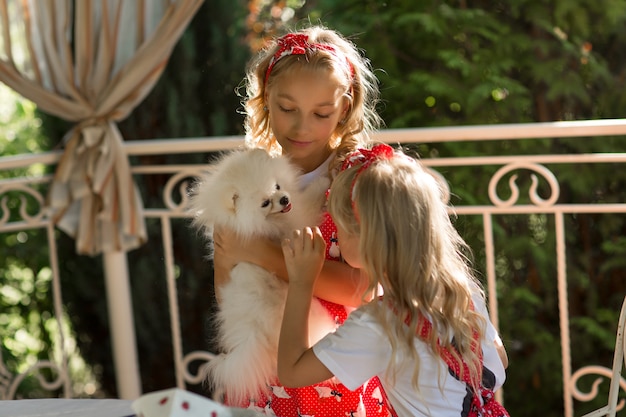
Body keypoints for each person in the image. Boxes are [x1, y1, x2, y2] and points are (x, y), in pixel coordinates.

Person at [212, 25, 392, 416]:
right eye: (287, 109)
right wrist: (234, 255)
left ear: (344, 107)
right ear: (264, 101)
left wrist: (262, 251)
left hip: (331, 376)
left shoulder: (357, 180)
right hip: (264, 375)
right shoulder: (251, 178)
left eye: (320, 113)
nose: (301, 127)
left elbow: (364, 290)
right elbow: (229, 287)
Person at [278, 144, 510, 417]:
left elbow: (291, 372)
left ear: (365, 238)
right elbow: (500, 361)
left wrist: (302, 280)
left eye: (338, 226)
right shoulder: (461, 290)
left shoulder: (381, 322)